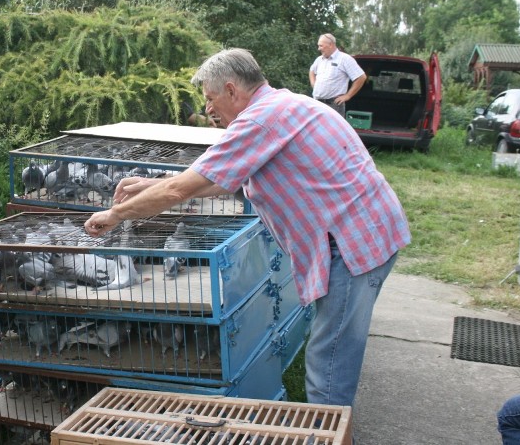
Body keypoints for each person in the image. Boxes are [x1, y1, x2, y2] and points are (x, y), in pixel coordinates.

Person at [85, 48, 410, 409]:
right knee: (331, 351)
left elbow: (182, 190)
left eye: (210, 99)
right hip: (365, 230)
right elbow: (221, 179)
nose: (208, 109)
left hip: (353, 245)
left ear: (230, 90)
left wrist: (115, 215)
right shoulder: (281, 106)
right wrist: (151, 184)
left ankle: (330, 428)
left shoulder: (259, 120)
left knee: (328, 368)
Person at [309, 33, 366, 117]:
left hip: (334, 105)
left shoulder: (345, 59)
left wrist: (348, 96)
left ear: (330, 45)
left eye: (321, 46)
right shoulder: (319, 59)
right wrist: (314, 85)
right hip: (317, 103)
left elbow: (361, 77)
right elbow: (312, 71)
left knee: (331, 130)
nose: (319, 49)